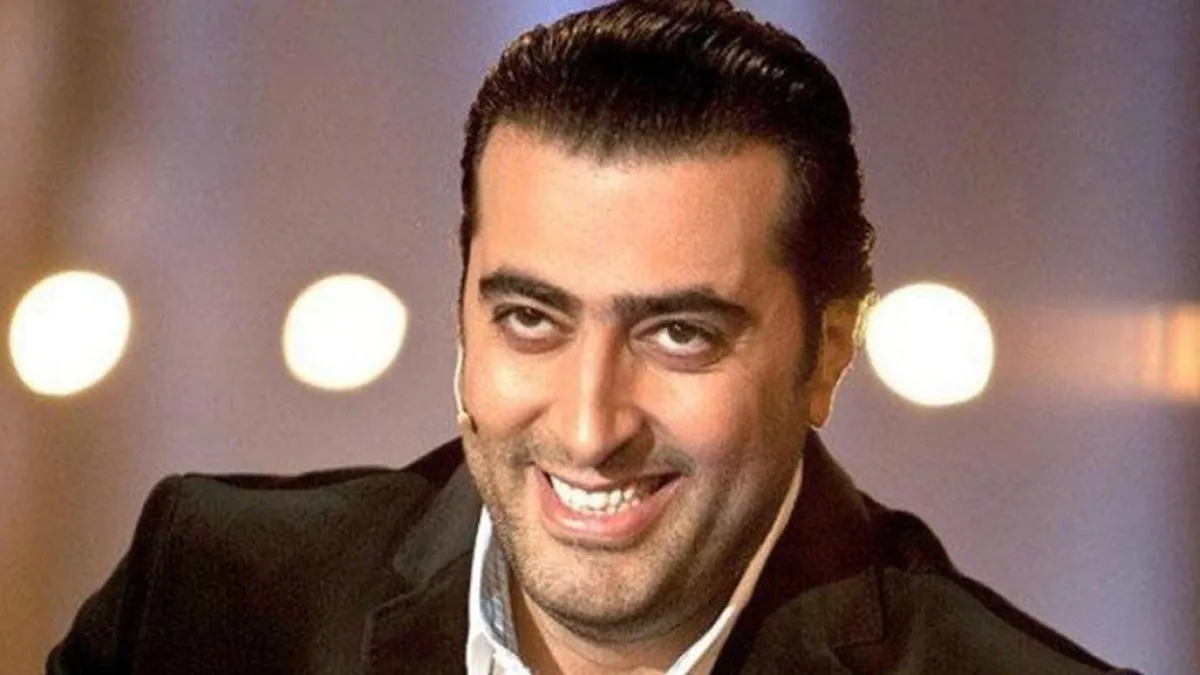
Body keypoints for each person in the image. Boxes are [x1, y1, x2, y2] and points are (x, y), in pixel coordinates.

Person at [49, 1, 1138, 673]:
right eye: (531, 319)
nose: (587, 427)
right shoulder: (209, 600)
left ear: (829, 354)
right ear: (463, 312)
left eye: (678, 334)